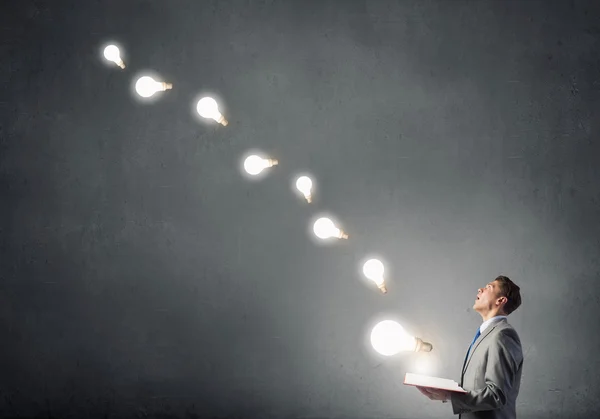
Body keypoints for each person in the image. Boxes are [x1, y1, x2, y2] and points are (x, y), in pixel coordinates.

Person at [416, 275, 523, 419]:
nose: (480, 289)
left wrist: (450, 395)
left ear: (501, 300)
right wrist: (445, 391)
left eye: (488, 287)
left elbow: (497, 395)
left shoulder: (503, 335)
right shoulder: (485, 334)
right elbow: (478, 386)